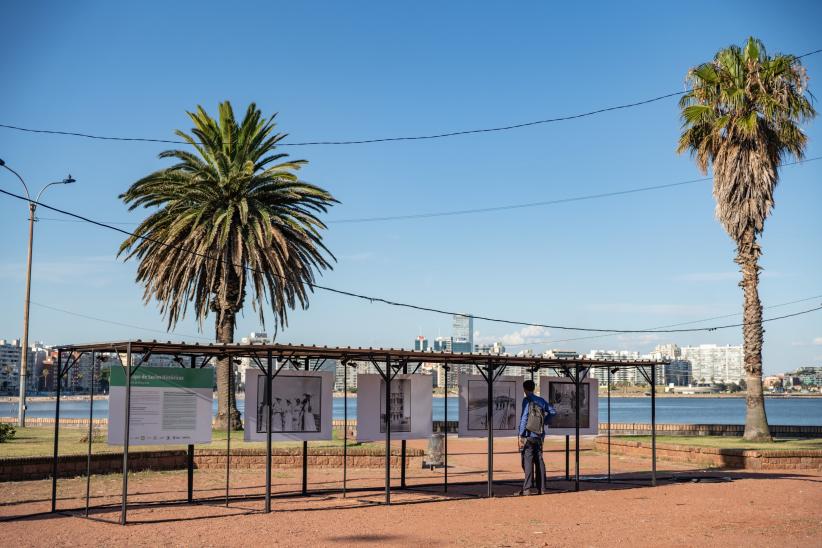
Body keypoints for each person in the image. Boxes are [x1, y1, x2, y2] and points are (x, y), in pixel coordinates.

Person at [517, 379, 555, 495]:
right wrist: (544, 423)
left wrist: (521, 434)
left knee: (527, 460)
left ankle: (527, 489)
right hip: (539, 435)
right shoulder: (541, 401)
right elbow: (553, 412)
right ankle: (542, 488)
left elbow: (524, 417)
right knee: (539, 460)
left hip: (528, 435)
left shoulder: (526, 400)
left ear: (525, 389)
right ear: (533, 388)